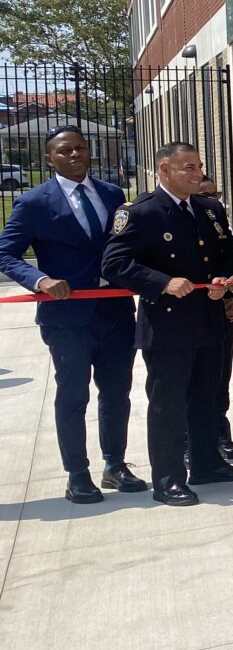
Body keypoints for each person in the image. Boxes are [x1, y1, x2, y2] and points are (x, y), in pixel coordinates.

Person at [101, 142, 233, 507]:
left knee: (206, 396)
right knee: (167, 405)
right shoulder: (140, 212)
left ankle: (206, 463)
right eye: (188, 168)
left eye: (199, 166)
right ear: (163, 170)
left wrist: (224, 280)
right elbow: (114, 264)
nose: (197, 173)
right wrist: (162, 282)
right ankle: (167, 479)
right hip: (167, 326)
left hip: (209, 318)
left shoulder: (210, 209)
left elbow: (229, 254)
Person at [0, 127, 140, 503]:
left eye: (80, 148)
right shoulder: (34, 202)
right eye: (65, 151)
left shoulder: (112, 195)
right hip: (67, 319)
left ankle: (115, 465)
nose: (75, 155)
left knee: (116, 392)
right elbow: (6, 254)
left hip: (115, 311)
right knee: (74, 395)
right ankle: (77, 473)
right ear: (50, 159)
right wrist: (40, 279)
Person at [197, 175, 233, 462]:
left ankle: (220, 433)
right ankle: (193, 440)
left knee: (220, 379)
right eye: (205, 194)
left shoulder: (221, 226)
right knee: (194, 384)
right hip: (189, 316)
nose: (211, 200)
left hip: (222, 315)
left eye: (214, 193)